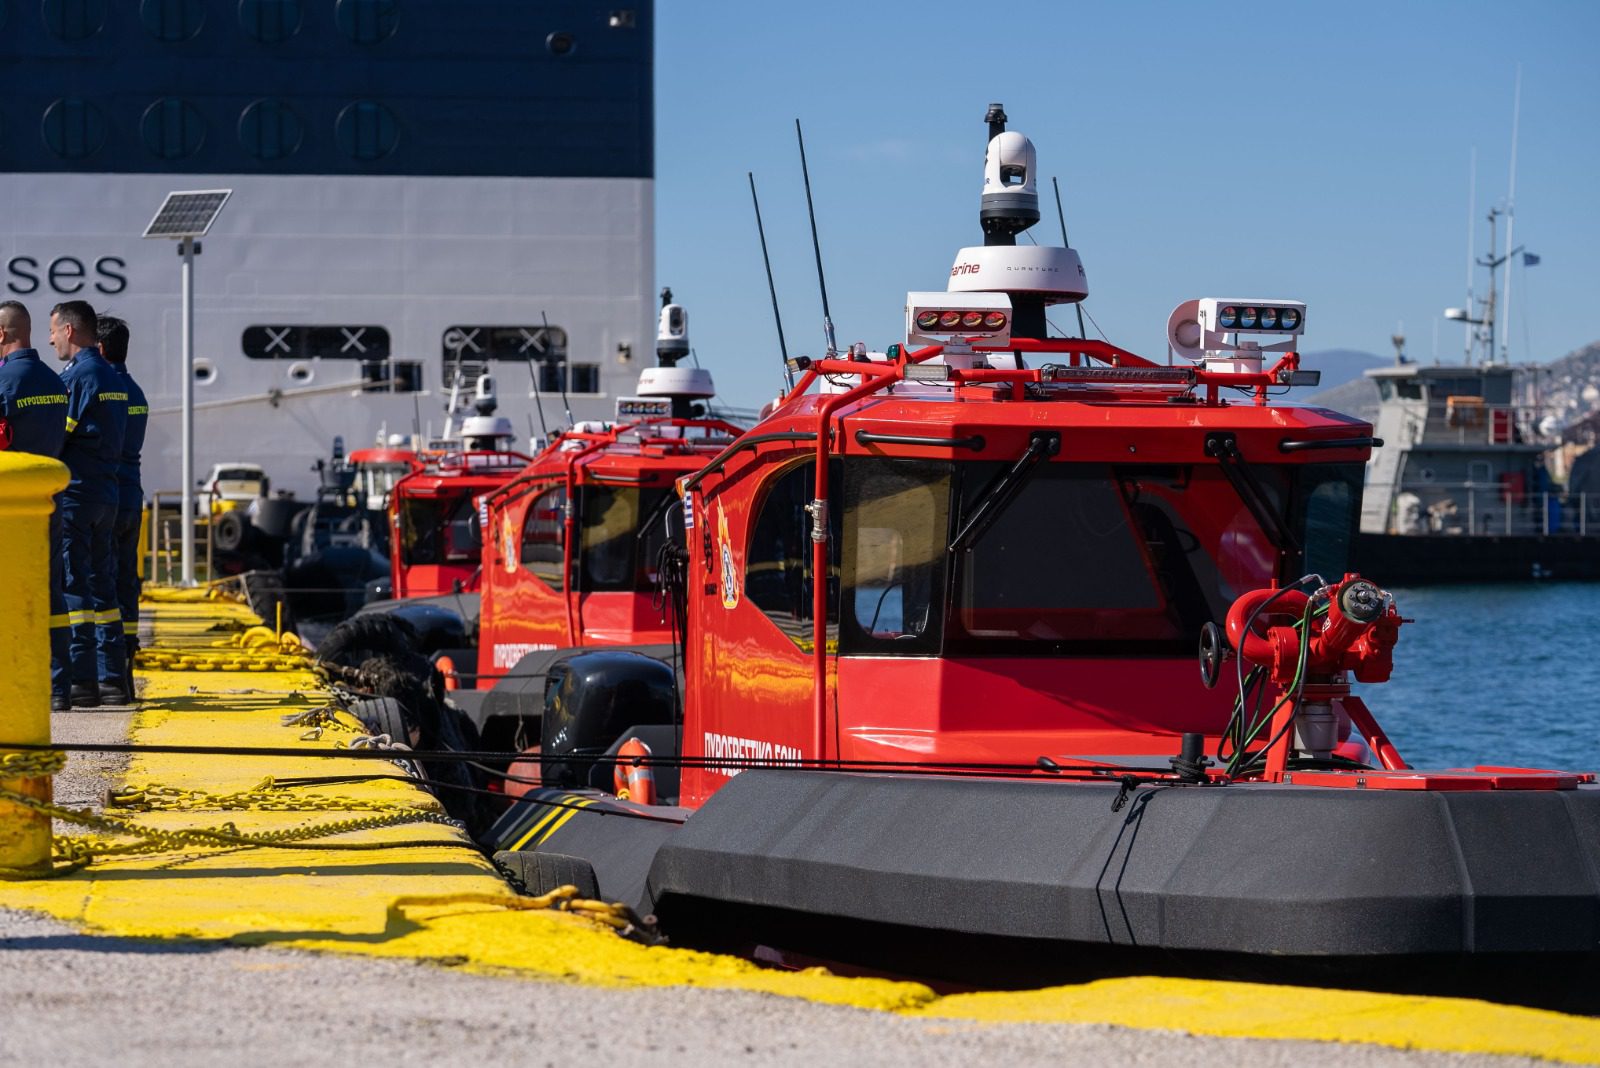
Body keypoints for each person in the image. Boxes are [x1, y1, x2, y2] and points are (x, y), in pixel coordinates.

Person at [50, 300, 128, 708]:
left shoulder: (79, 376)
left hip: (77, 495)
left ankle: (81, 681)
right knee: (104, 589)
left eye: (53, 331)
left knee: (74, 587)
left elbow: (60, 434)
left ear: (69, 331)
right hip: (108, 493)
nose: (50, 340)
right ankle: (112, 679)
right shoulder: (111, 376)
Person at [0, 300, 73, 710]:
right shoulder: (54, 382)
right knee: (51, 594)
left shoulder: (3, 382)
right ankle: (57, 686)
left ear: (1, 334)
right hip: (49, 502)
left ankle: (14, 682)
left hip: (8, 509)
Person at [98, 315, 147, 697]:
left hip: (107, 497)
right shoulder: (137, 393)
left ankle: (107, 671)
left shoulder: (103, 389)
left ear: (98, 348)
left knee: (101, 584)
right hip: (133, 497)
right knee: (126, 583)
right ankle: (127, 665)